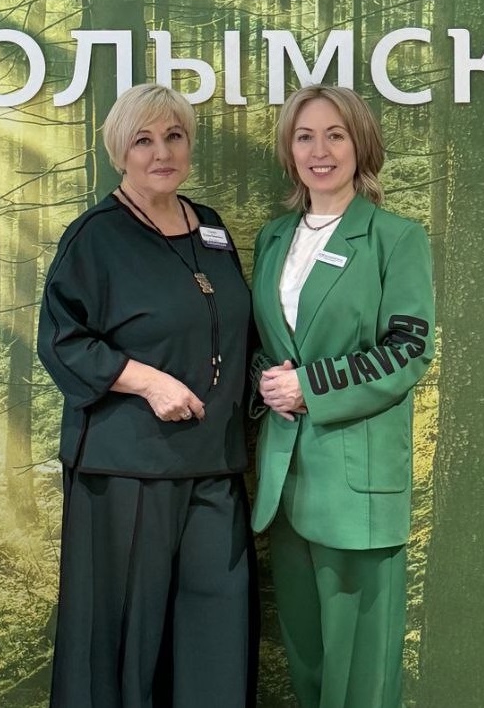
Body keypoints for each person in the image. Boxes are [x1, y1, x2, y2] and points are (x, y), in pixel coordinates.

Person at [38, 84, 255, 708]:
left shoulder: (210, 227)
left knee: (216, 636)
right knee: (124, 645)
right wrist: (149, 381)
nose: (162, 152)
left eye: (174, 136)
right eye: (144, 140)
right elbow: (63, 341)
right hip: (127, 472)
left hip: (214, 465)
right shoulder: (94, 237)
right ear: (119, 153)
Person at [251, 86, 435, 708]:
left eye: (336, 135)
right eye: (305, 137)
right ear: (289, 150)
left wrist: (309, 387)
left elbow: (409, 349)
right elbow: (269, 345)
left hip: (358, 489)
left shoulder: (395, 238)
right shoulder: (273, 239)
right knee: (307, 667)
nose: (320, 150)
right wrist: (268, 382)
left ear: (361, 145)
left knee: (361, 681)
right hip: (287, 485)